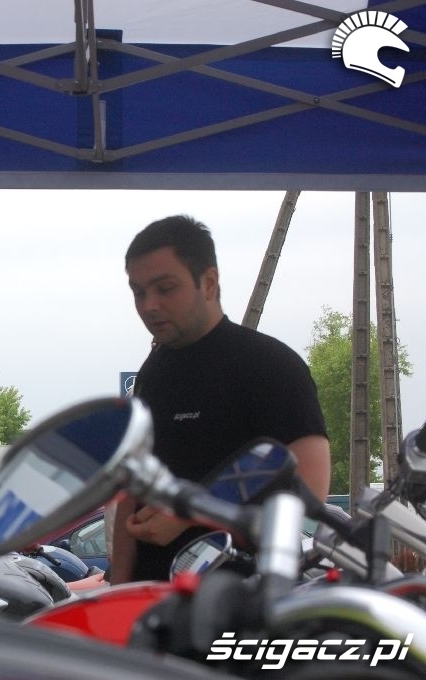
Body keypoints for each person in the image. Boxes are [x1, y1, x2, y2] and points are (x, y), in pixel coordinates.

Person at [108, 215, 331, 584]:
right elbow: (131, 489)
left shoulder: (270, 364)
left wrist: (189, 515)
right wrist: (119, 585)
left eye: (165, 288)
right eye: (138, 292)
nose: (149, 305)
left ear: (209, 282)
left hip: (244, 598)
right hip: (152, 600)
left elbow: (310, 489)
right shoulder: (151, 373)